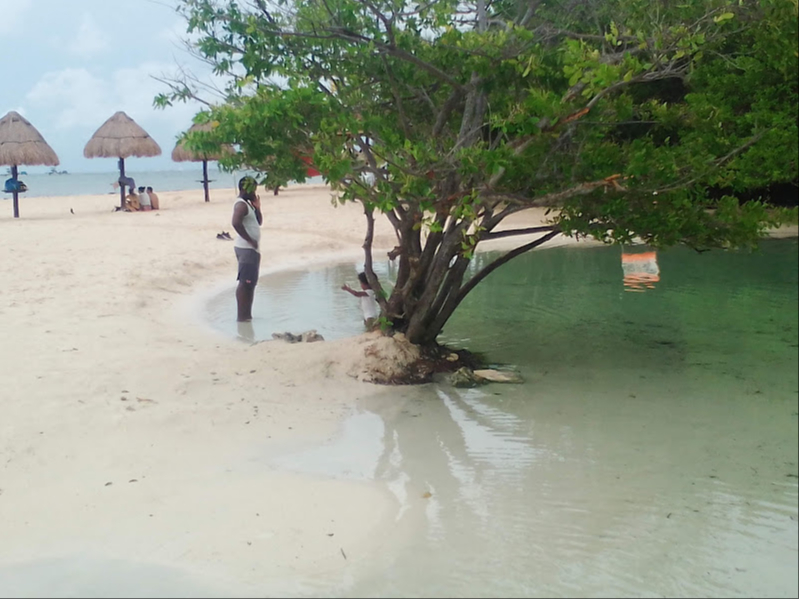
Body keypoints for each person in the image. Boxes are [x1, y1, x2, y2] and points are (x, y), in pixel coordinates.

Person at [231, 176, 263, 322]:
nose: (255, 192)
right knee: (245, 283)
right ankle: (241, 317)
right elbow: (235, 223)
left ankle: (247, 316)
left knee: (251, 283)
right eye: (253, 189)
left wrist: (257, 208)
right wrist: (250, 240)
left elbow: (259, 222)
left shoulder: (248, 205)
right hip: (246, 249)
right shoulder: (241, 205)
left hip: (251, 250)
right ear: (245, 189)